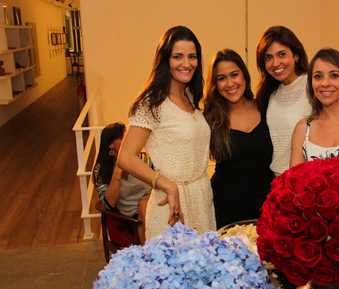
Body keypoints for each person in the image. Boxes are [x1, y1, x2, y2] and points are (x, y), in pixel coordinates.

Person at [118, 26, 216, 240]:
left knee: (206, 268)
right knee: (173, 270)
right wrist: (168, 186)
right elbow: (125, 157)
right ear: (164, 60)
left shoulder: (191, 98)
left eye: (192, 57)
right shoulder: (150, 104)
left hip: (201, 198)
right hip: (169, 204)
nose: (186, 64)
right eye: (177, 57)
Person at [203, 49, 275, 229]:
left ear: (245, 76)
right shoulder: (209, 120)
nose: (230, 83)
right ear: (215, 84)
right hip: (226, 208)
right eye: (221, 78)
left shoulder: (266, 107)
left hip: (266, 204)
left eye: (234, 74)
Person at [255, 26, 311, 177]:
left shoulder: (312, 86)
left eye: (282, 54)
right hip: (275, 180)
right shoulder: (269, 93)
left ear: (296, 56)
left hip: (305, 179)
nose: (275, 63)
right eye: (268, 57)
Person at [93, 122, 151, 244]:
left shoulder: (142, 159)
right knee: (142, 205)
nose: (126, 141)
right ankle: (149, 254)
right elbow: (109, 204)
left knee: (145, 204)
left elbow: (161, 178)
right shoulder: (102, 169)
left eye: (127, 136)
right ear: (110, 145)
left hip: (152, 208)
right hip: (132, 218)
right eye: (121, 138)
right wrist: (119, 168)